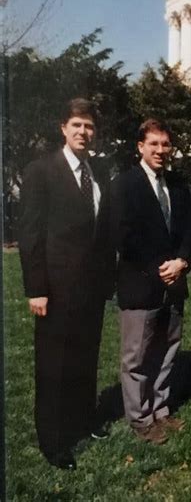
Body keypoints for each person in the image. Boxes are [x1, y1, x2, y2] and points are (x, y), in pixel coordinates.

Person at [18, 98, 114, 470]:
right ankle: (53, 440)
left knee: (84, 358)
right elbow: (29, 234)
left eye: (89, 126)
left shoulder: (98, 171)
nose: (83, 132)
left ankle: (83, 421)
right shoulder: (41, 171)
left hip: (90, 288)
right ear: (63, 127)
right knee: (54, 365)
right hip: (55, 289)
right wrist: (36, 288)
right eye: (77, 124)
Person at [112, 119, 191, 444]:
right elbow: (122, 236)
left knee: (167, 349)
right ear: (140, 147)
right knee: (136, 357)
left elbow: (190, 227)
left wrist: (182, 261)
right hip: (140, 284)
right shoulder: (124, 185)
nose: (161, 150)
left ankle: (160, 410)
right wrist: (157, 267)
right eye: (154, 144)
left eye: (165, 144)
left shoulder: (176, 185)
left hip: (174, 282)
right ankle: (140, 419)